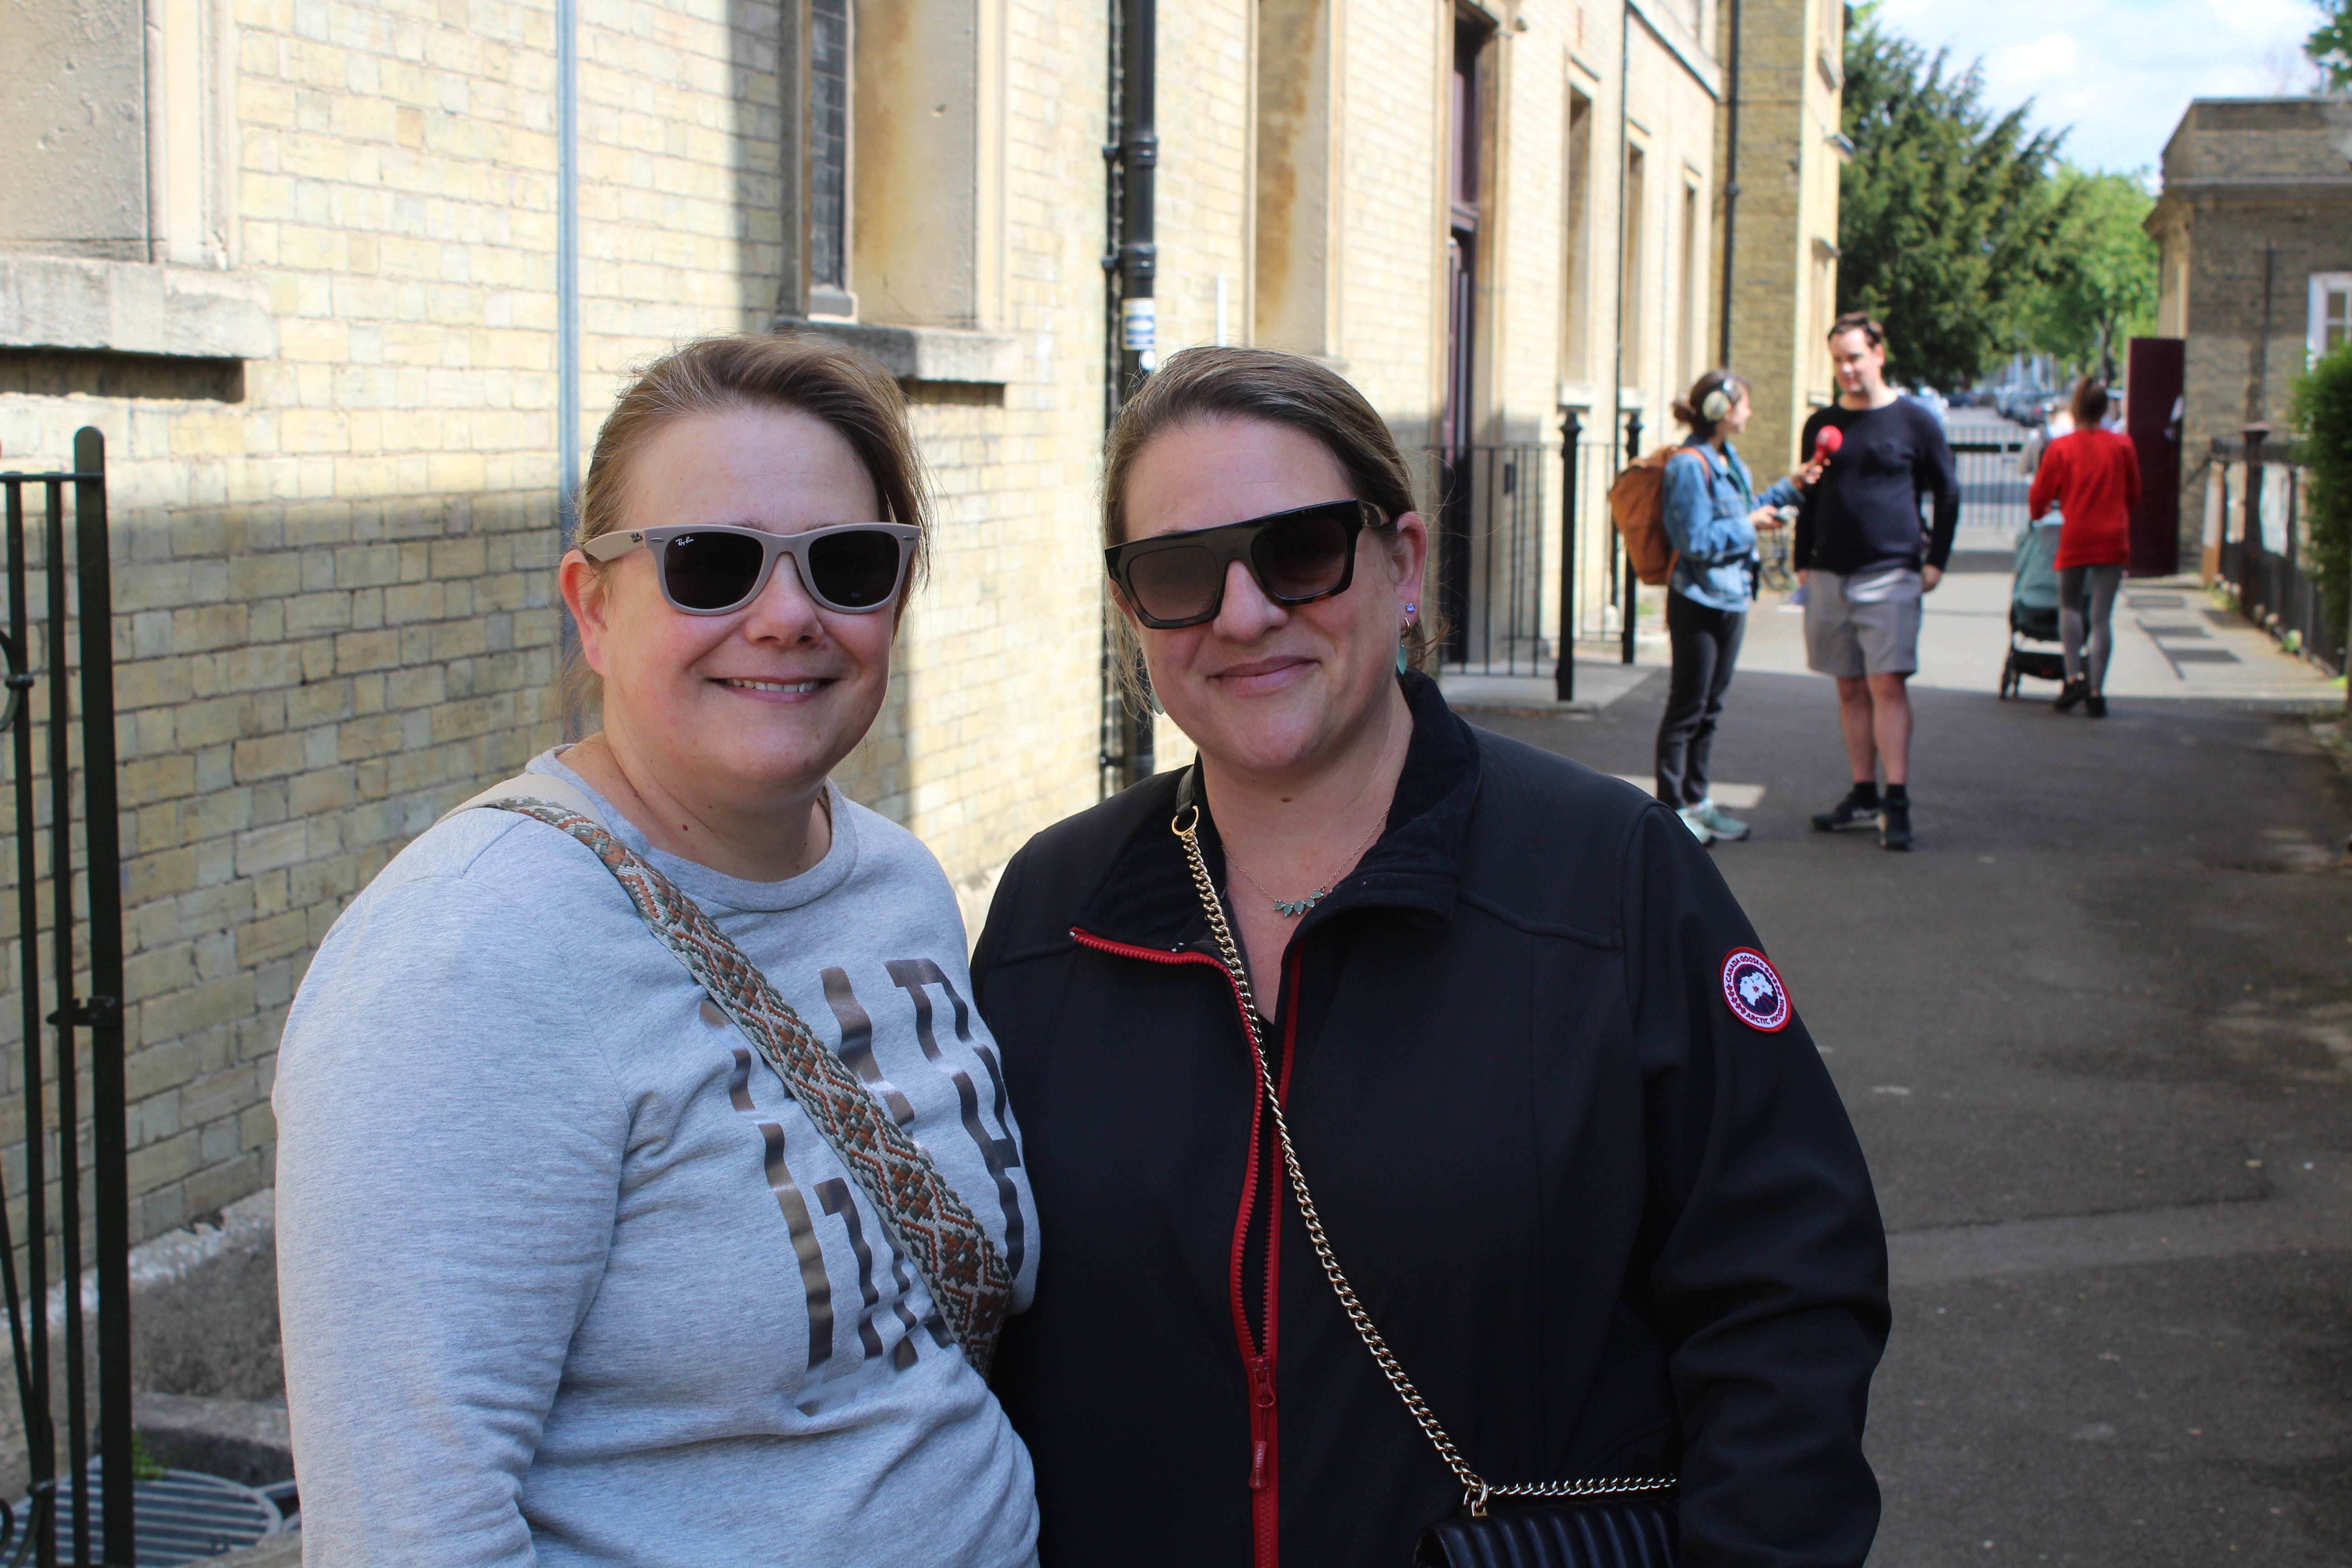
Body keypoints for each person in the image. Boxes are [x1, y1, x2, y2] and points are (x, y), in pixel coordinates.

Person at [975, 347, 1889, 1568]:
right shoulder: (1057, 907)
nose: (1243, 614)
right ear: (1133, 610)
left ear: (1402, 563)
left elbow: (1786, 1298)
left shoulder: (1606, 874)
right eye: (1179, 572)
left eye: (1300, 549)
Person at [274, 334, 1042, 1567]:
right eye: (711, 565)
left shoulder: (899, 887)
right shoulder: (461, 963)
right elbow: (411, 1529)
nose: (786, 616)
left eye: (845, 565)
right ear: (593, 606)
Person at [1795, 312, 1959, 851]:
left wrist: (1936, 560)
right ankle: (1863, 792)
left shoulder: (1915, 420)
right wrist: (1802, 559)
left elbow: (1948, 490)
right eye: (1839, 360)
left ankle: (1898, 799)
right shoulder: (1821, 424)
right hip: (1828, 574)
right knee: (1847, 685)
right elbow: (1809, 495)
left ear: (1879, 354)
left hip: (1891, 572)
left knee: (1887, 682)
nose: (1847, 369)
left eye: (1855, 358)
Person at [1655, 368, 1808, 844]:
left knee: (1712, 708)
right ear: (1721, 410)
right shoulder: (1688, 465)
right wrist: (1751, 526)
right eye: (1743, 403)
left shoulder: (1728, 457)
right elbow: (1695, 539)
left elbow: (1745, 509)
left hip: (1733, 594)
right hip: (1698, 599)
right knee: (1687, 707)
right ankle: (1672, 810)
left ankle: (1699, 801)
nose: (1750, 412)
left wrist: (1789, 486)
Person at [2029, 376, 2140, 717]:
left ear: (2076, 408)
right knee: (2102, 617)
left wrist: (2042, 514)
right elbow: (2134, 495)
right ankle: (2096, 692)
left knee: (2070, 606)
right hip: (2112, 536)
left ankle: (2073, 676)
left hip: (2077, 534)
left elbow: (2039, 498)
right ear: (2106, 408)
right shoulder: (2122, 446)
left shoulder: (2062, 448)